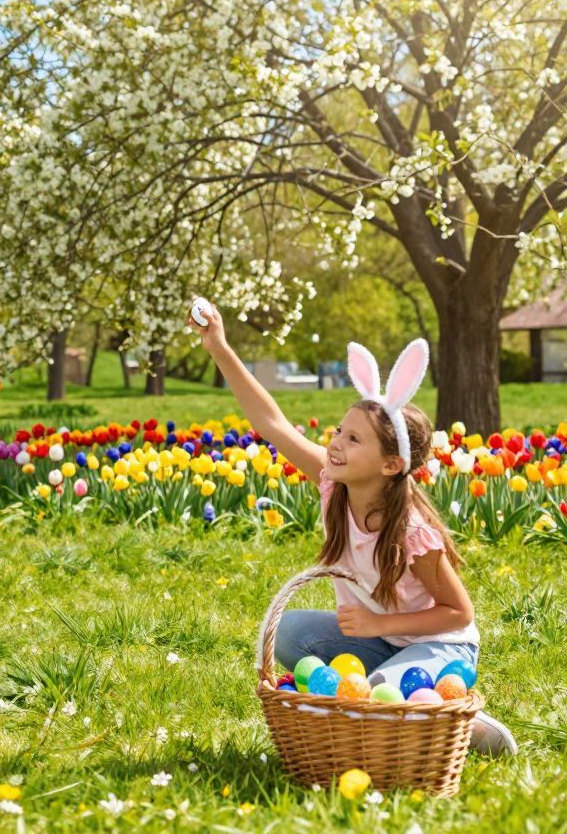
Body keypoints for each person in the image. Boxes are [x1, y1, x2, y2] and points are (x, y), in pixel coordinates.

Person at [189, 299, 516, 754]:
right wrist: (220, 347)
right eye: (340, 431)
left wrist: (380, 621)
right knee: (288, 634)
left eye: (353, 439)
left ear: (390, 464)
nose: (335, 443)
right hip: (380, 638)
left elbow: (459, 614)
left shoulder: (411, 531)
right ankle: (388, 705)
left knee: (378, 688)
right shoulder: (332, 484)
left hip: (439, 650)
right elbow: (271, 423)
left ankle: (466, 723)